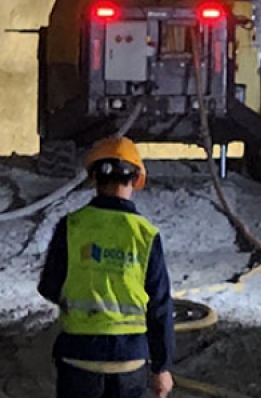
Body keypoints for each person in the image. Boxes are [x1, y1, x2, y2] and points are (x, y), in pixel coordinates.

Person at [38, 137, 175, 398]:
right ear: (136, 179)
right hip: (130, 360)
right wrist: (162, 368)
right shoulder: (145, 235)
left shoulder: (72, 226)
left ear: (93, 179)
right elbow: (160, 306)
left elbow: (49, 286)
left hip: (79, 356)